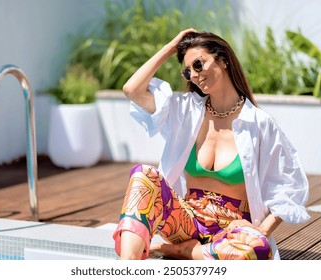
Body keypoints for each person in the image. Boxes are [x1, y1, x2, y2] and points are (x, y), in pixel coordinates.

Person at [112, 28, 310, 260]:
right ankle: (127, 268)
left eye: (199, 64)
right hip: (185, 222)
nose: (194, 75)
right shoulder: (185, 110)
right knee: (142, 175)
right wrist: (171, 47)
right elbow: (132, 89)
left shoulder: (258, 123)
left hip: (232, 230)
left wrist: (263, 230)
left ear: (223, 60)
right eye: (187, 72)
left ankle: (182, 251)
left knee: (256, 248)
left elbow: (289, 186)